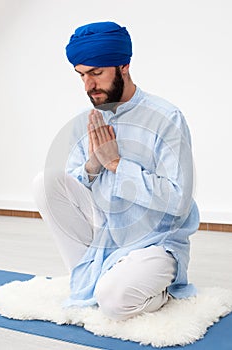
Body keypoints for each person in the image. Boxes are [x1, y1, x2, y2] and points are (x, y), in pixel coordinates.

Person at [33, 21, 199, 321]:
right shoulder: (88, 120)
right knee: (44, 183)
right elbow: (74, 190)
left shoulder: (167, 118)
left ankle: (158, 289)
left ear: (124, 66)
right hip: (104, 232)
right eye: (82, 75)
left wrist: (117, 165)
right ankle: (94, 273)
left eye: (97, 73)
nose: (88, 86)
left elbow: (178, 202)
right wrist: (93, 166)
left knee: (112, 303)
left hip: (156, 241)